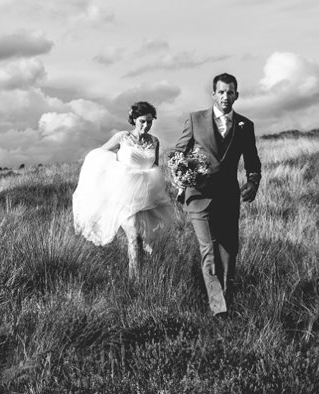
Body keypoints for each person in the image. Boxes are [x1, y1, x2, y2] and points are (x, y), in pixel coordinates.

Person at [173, 73, 261, 317]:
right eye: (221, 92)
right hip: (198, 195)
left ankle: (227, 299)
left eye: (230, 92)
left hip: (229, 197)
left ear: (236, 95)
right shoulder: (195, 119)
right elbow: (178, 155)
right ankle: (218, 308)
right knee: (208, 249)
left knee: (228, 251)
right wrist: (185, 179)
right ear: (213, 94)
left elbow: (253, 162)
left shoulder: (245, 125)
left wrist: (253, 182)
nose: (225, 96)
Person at [72, 101, 178, 278]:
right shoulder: (122, 137)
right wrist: (114, 170)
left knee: (147, 241)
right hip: (124, 196)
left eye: (150, 122)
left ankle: (144, 276)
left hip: (148, 198)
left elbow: (155, 167)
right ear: (134, 119)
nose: (146, 125)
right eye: (142, 121)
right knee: (134, 237)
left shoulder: (154, 141)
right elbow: (97, 154)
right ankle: (134, 282)